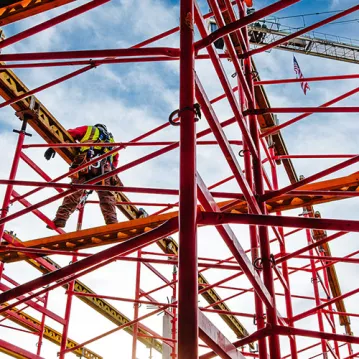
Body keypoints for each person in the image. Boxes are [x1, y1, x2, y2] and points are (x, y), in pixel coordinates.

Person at [44, 124, 119, 228]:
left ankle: (61, 218)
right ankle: (112, 222)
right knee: (107, 196)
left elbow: (70, 134)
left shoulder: (90, 129)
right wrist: (110, 173)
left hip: (86, 163)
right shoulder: (112, 141)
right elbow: (115, 160)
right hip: (104, 168)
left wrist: (54, 146)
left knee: (75, 191)